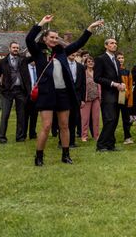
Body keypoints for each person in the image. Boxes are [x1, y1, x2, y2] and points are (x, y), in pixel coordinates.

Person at [25, 15, 103, 165]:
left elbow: (79, 43)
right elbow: (29, 39)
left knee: (64, 125)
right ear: (45, 39)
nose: (55, 39)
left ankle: (66, 155)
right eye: (52, 37)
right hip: (46, 94)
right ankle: (39, 157)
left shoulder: (62, 52)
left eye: (56, 37)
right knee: (46, 126)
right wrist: (41, 23)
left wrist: (90, 28)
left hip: (62, 93)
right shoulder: (38, 52)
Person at [94, 38, 126, 152]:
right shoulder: (100, 59)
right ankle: (101, 145)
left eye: (116, 43)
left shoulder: (117, 61)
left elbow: (117, 76)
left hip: (118, 94)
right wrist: (114, 84)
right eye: (112, 43)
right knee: (110, 119)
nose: (114, 45)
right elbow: (97, 78)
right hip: (108, 94)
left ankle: (110, 144)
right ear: (106, 46)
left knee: (115, 119)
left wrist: (121, 83)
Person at [0, 41, 28, 143]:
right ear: (9, 48)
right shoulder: (2, 62)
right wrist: (0, 89)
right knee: (5, 115)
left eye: (17, 48)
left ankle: (20, 137)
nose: (15, 49)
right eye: (14, 48)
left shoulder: (23, 60)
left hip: (20, 91)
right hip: (7, 92)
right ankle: (2, 137)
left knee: (21, 115)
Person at [66, 51, 86, 147]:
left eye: (75, 52)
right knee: (64, 119)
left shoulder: (81, 67)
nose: (72, 53)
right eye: (71, 51)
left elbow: (83, 84)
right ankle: (62, 142)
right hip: (64, 95)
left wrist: (82, 99)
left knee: (74, 119)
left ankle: (72, 142)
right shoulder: (62, 65)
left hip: (77, 96)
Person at [80, 56, 101, 142]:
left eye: (92, 61)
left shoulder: (97, 73)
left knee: (96, 118)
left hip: (96, 98)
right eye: (89, 61)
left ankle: (96, 136)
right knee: (85, 119)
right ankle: (84, 136)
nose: (91, 63)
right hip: (86, 99)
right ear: (85, 63)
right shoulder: (83, 73)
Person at [116, 52, 134, 145]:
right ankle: (110, 137)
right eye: (119, 58)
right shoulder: (113, 71)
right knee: (113, 119)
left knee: (126, 119)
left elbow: (130, 87)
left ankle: (127, 137)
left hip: (124, 97)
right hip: (114, 98)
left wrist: (129, 99)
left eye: (122, 58)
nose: (121, 59)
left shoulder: (127, 71)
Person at [21, 57, 39, 139]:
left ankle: (32, 133)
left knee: (34, 116)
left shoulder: (38, 69)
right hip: (26, 96)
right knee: (25, 116)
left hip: (36, 96)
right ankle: (23, 134)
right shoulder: (24, 68)